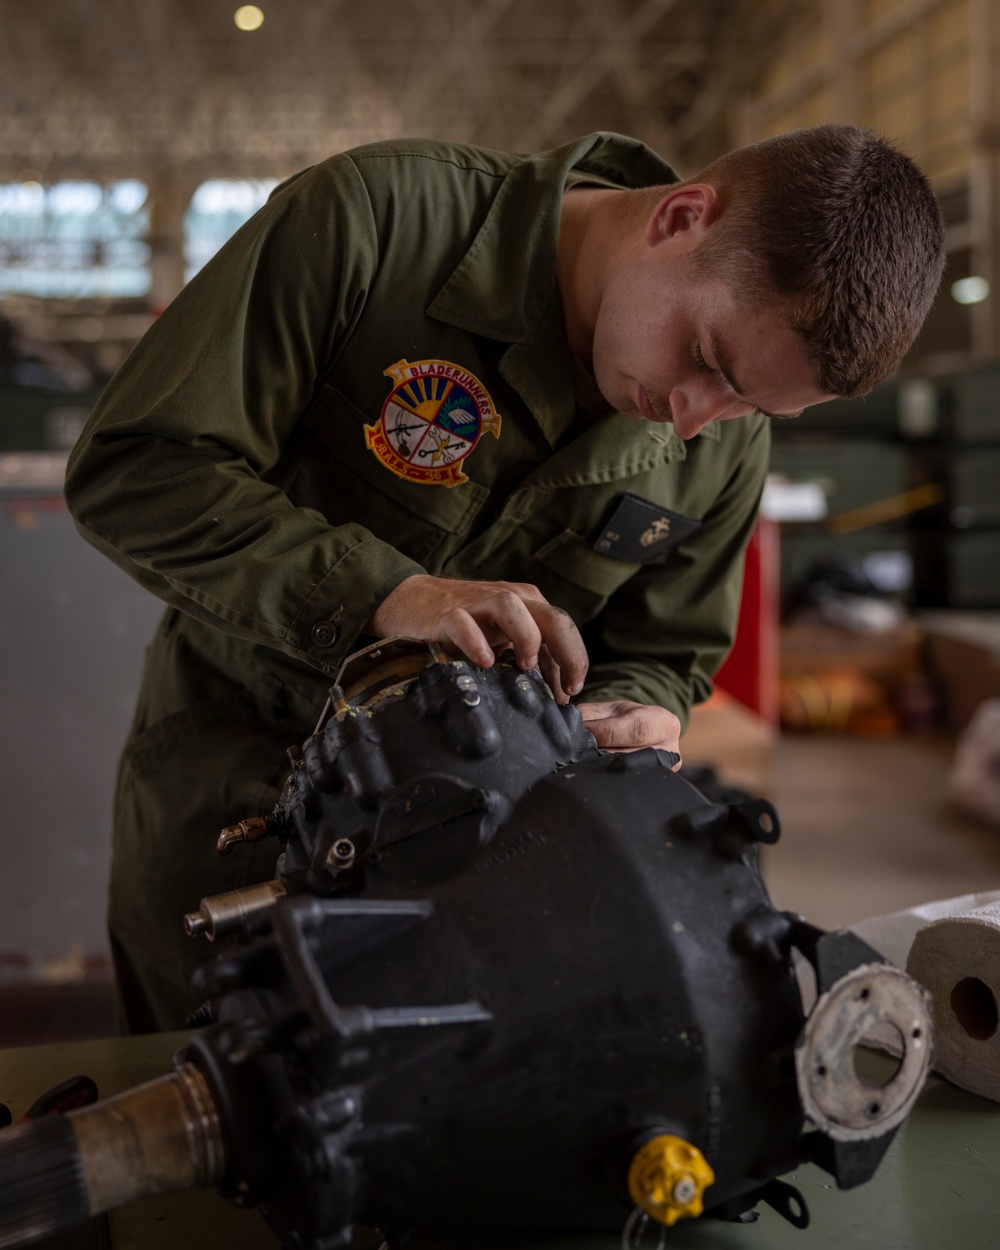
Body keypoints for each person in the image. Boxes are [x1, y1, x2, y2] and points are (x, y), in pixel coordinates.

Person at [64, 125, 944, 1032]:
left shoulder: (720, 444)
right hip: (234, 809)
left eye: (747, 402)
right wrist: (385, 594)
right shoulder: (378, 225)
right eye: (708, 361)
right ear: (682, 217)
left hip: (495, 879)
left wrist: (641, 712)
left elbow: (661, 651)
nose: (692, 422)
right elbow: (137, 469)